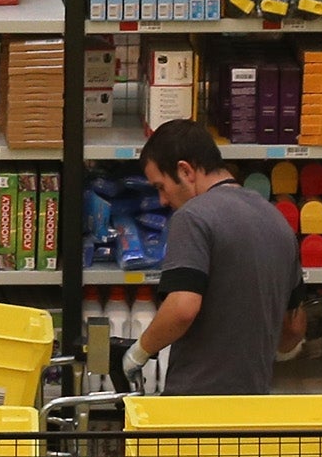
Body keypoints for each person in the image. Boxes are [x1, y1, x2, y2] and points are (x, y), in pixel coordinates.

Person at [119, 120, 306, 397]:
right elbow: (294, 327)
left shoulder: (193, 217)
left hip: (196, 407)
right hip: (255, 404)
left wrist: (139, 351)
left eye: (161, 186)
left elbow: (183, 307)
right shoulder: (277, 220)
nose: (162, 200)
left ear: (185, 171)